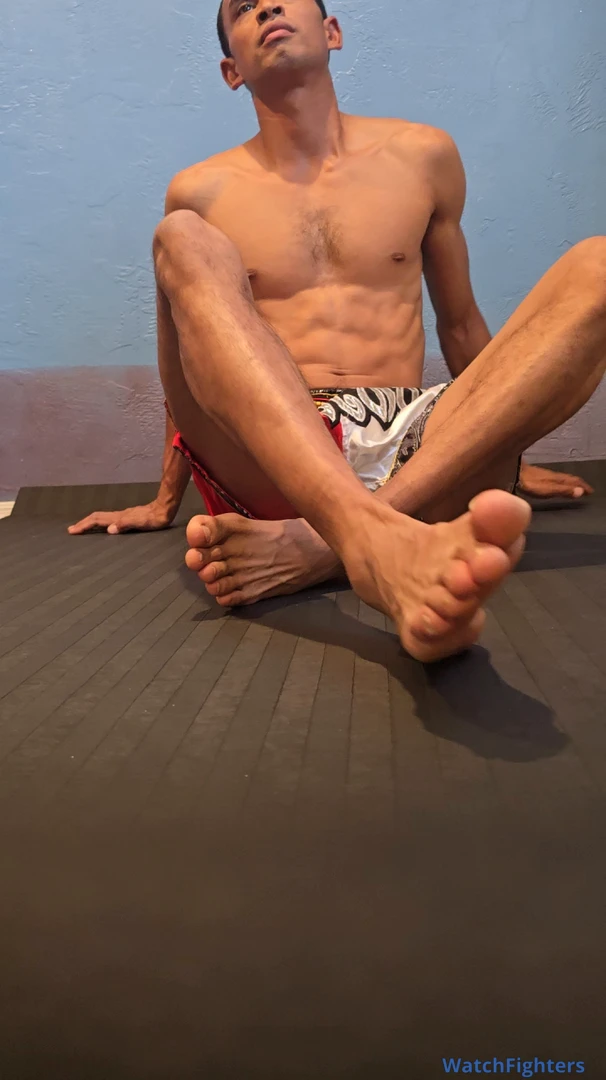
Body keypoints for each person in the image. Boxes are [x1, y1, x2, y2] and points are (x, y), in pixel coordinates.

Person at [69, 0, 604, 663]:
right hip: (274, 456)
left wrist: (505, 442)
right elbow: (201, 355)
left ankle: (333, 546)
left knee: (598, 267)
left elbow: (461, 324)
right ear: (232, 70)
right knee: (178, 236)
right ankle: (370, 539)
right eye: (242, 7)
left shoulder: (424, 156)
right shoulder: (200, 190)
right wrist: (163, 499)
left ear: (332, 32)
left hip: (417, 437)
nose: (266, 5)